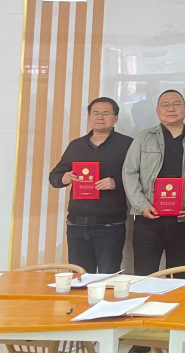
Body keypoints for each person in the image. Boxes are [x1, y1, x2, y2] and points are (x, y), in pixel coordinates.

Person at [122, 90, 185, 276]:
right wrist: (142, 205)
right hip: (148, 219)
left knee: (179, 276)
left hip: (184, 220)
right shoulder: (143, 138)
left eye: (176, 104)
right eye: (165, 104)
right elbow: (129, 172)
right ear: (157, 110)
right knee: (145, 275)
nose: (171, 109)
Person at [48, 97, 133, 273]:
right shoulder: (76, 145)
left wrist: (116, 183)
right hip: (76, 225)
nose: (100, 117)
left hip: (110, 226)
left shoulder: (127, 145)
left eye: (106, 113)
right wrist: (63, 178)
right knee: (79, 278)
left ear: (116, 118)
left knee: (108, 277)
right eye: (95, 113)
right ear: (89, 117)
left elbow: (138, 178)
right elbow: (54, 177)